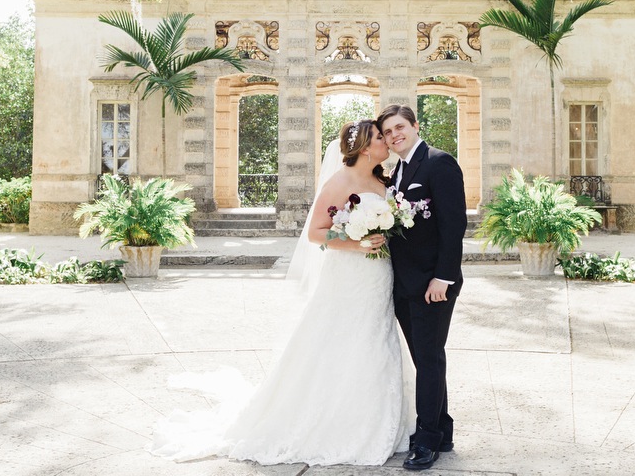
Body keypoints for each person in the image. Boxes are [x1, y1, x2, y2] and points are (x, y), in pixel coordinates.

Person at [151, 119, 412, 467]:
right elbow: (317, 235)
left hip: (379, 274)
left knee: (376, 339)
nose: (387, 143)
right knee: (339, 340)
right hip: (350, 274)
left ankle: (379, 417)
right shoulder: (339, 182)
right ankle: (333, 423)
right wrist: (356, 241)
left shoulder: (383, 178)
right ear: (365, 146)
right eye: (381, 137)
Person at [377, 104, 467, 471]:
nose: (394, 135)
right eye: (387, 132)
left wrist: (443, 278)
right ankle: (442, 429)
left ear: (415, 125)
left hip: (433, 283)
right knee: (426, 359)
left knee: (428, 360)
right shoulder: (395, 171)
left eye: (399, 127)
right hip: (404, 282)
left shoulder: (438, 162)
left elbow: (453, 223)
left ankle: (427, 440)